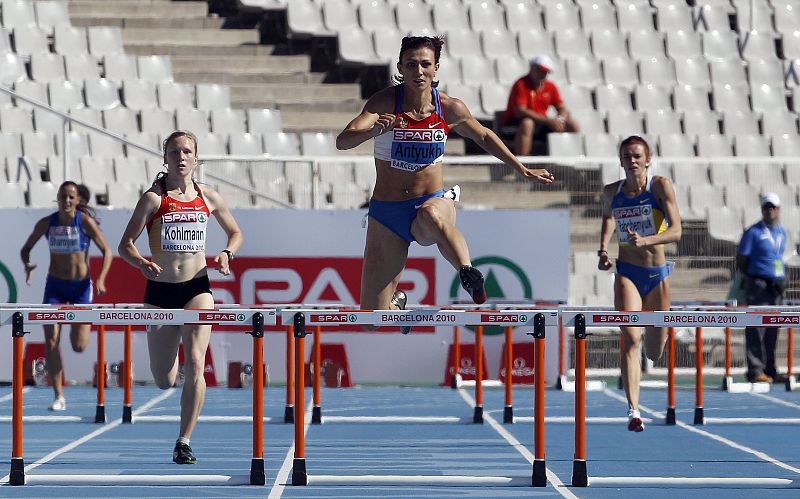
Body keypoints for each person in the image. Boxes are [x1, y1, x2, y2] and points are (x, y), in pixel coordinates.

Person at [335, 35, 555, 326]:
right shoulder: (385, 102)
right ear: (401, 67)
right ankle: (396, 303)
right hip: (387, 213)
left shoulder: (450, 108)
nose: (418, 71)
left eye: (425, 64)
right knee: (372, 318)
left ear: (436, 68)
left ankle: (467, 271)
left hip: (433, 202)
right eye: (411, 64)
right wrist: (372, 130)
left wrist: (522, 168)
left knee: (429, 214)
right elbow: (343, 141)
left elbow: (484, 136)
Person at [118, 130, 243, 464]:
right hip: (160, 292)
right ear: (166, 158)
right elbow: (125, 244)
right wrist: (141, 263)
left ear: (196, 158)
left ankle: (184, 440)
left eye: (187, 151)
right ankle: (175, 380)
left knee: (198, 362)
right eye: (175, 152)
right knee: (163, 380)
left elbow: (236, 232)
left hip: (196, 288)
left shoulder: (209, 197)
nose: (181, 157)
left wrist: (228, 253)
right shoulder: (153, 199)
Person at [597, 136, 682, 432]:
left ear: (648, 160)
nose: (631, 161)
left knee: (654, 351)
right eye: (626, 156)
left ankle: (658, 340)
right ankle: (634, 410)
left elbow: (677, 231)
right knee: (631, 340)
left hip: (656, 274)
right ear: (620, 161)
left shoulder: (659, 186)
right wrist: (604, 250)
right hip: (628, 272)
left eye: (636, 156)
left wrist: (648, 240)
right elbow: (608, 218)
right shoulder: (611, 192)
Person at [20, 180, 113, 411]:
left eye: (71, 197)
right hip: (55, 287)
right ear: (58, 199)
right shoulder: (47, 223)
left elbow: (107, 252)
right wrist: (28, 264)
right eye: (63, 197)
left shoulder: (85, 222)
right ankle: (59, 395)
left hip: (81, 288)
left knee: (79, 346)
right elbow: (25, 249)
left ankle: (77, 332)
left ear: (78, 200)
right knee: (51, 340)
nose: (67, 201)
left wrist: (100, 278)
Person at [736, 192, 787, 384]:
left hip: (776, 286)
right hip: (758, 284)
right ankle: (756, 370)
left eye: (773, 207)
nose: (770, 210)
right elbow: (741, 259)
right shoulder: (753, 232)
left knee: (773, 328)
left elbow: (777, 258)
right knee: (756, 328)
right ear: (762, 209)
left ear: (779, 209)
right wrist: (753, 277)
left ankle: (770, 369)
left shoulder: (781, 232)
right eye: (767, 207)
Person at [500, 55, 579, 156]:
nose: (543, 74)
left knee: (572, 124)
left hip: (539, 124)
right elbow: (520, 111)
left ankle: (573, 160)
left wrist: (560, 120)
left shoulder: (551, 86)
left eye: (545, 71)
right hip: (514, 124)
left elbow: (562, 108)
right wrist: (549, 121)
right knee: (527, 123)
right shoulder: (521, 84)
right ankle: (523, 165)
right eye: (540, 70)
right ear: (532, 68)